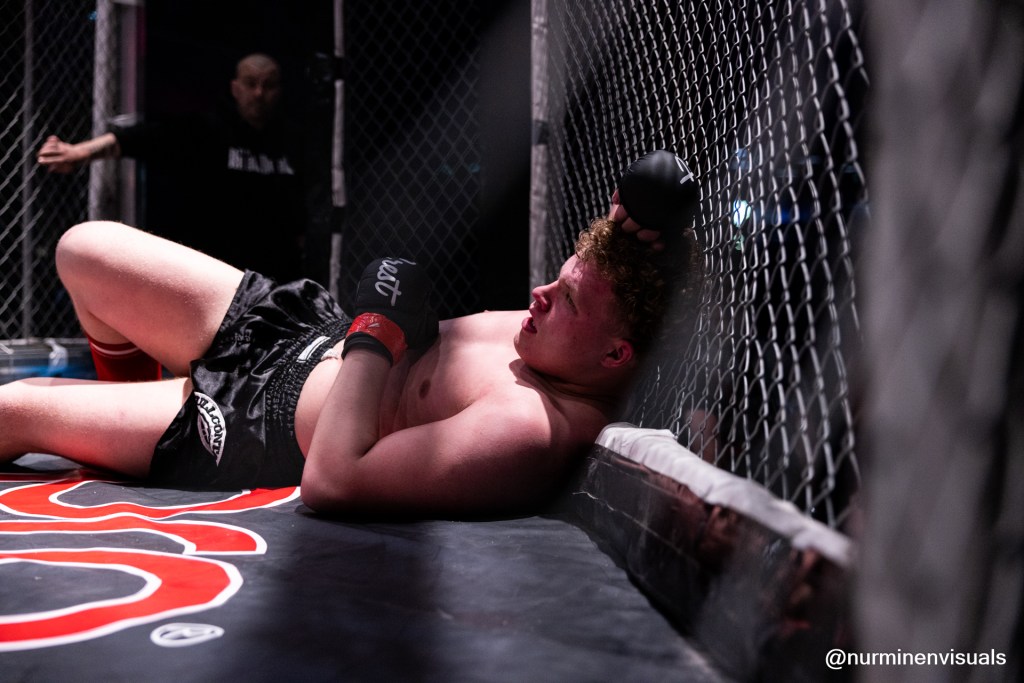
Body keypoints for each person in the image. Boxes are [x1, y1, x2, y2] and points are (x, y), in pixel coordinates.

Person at [0, 156, 701, 518]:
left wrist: (376, 330)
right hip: (295, 329)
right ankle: (124, 435)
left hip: (257, 423)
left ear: (616, 354)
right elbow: (633, 293)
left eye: (567, 298)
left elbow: (334, 481)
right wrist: (637, 232)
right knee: (82, 248)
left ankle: (139, 431)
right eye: (560, 275)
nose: (541, 293)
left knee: (17, 407)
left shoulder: (530, 428)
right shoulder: (568, 343)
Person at [37, 53, 307, 283]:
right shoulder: (210, 131)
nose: (259, 93)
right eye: (250, 84)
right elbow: (136, 139)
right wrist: (79, 152)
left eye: (268, 85)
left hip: (277, 274)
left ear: (279, 91)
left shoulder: (293, 142)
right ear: (236, 88)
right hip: (221, 274)